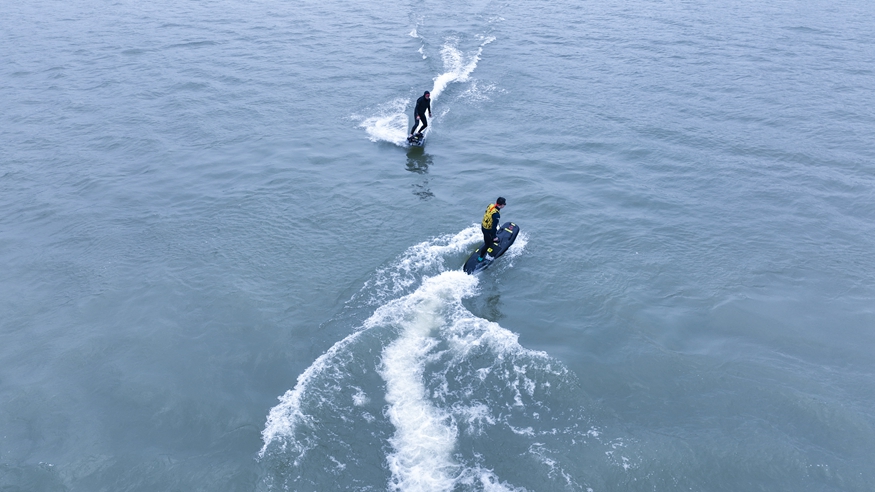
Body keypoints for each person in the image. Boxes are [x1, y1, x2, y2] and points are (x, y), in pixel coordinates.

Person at [478, 197, 506, 261]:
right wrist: (494, 237)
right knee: (487, 244)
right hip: (487, 230)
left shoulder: (491, 205)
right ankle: (481, 257)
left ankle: (492, 240)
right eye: (504, 204)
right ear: (501, 205)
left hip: (483, 226)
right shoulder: (496, 215)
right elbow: (493, 228)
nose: (504, 205)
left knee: (490, 239)